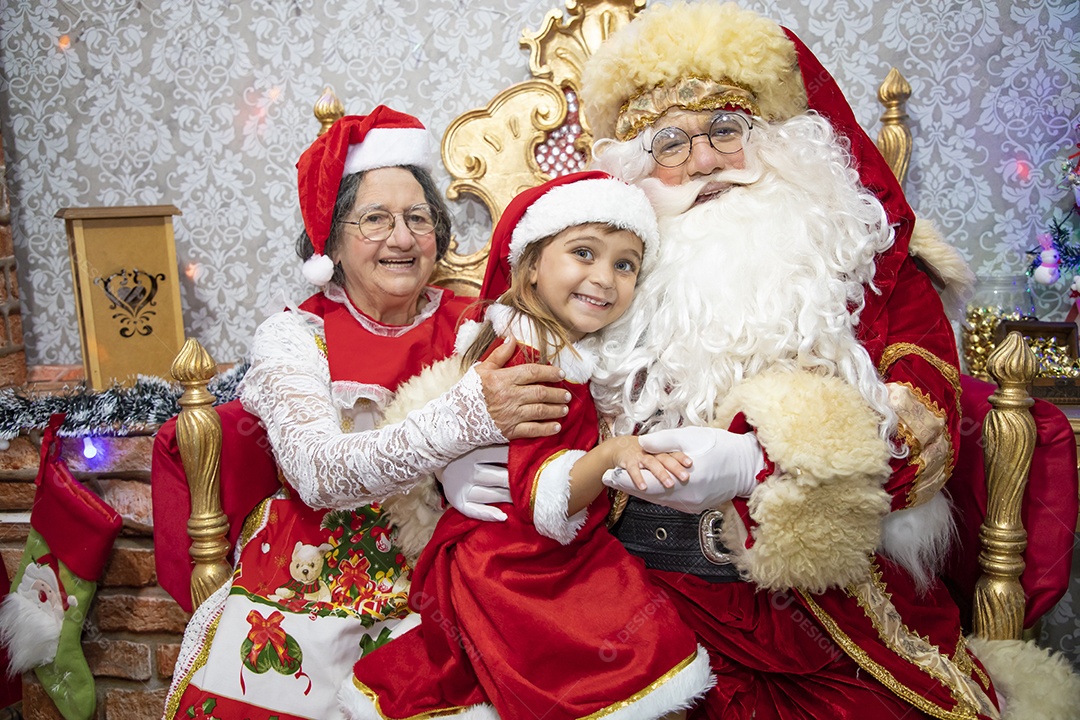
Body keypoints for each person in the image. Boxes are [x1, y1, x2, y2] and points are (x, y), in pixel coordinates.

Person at [571, 3, 1010, 718]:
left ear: (780, 140)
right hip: (632, 601)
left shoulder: (872, 270)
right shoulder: (596, 277)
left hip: (825, 614)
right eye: (671, 142)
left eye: (725, 129)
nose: (705, 161)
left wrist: (761, 464)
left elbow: (927, 445)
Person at [162, 106, 570, 720]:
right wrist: (465, 419)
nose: (402, 239)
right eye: (375, 219)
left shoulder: (478, 322)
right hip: (318, 575)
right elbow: (317, 472)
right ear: (330, 238)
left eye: (418, 218)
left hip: (456, 570)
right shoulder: (293, 336)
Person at [343, 171, 714, 719]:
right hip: (516, 563)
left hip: (524, 546)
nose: (604, 278)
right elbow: (544, 491)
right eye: (583, 252)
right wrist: (612, 455)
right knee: (629, 644)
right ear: (533, 265)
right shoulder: (534, 362)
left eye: (625, 264)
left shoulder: (552, 344)